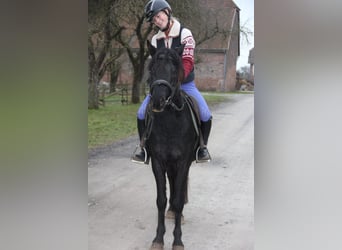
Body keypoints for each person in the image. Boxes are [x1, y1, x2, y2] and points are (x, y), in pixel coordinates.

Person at [132, 0, 212, 164]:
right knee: (141, 113)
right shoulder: (155, 39)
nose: (157, 20)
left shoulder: (185, 33)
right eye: (154, 19)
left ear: (167, 12)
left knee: (205, 114)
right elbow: (154, 66)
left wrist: (178, 80)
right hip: (162, 86)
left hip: (185, 84)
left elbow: (188, 61)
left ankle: (201, 148)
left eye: (158, 16)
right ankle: (144, 148)